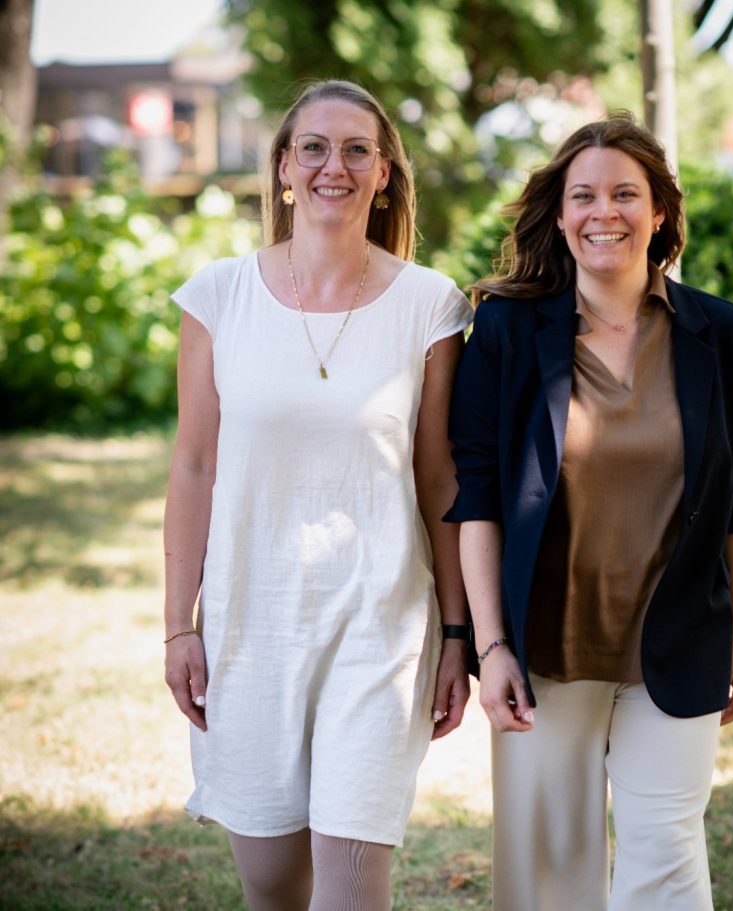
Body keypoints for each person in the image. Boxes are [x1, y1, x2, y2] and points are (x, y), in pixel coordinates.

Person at [162, 79, 473, 911]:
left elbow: (436, 477)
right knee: (271, 884)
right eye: (314, 147)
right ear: (285, 169)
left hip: (381, 623)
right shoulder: (218, 295)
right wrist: (175, 626)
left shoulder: (429, 305)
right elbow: (194, 466)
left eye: (356, 150)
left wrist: (454, 632)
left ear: (382, 175)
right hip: (251, 623)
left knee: (348, 887)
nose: (334, 165)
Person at [444, 111, 733, 911]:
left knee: (668, 859)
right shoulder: (508, 330)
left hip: (679, 640)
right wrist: (491, 646)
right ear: (559, 214)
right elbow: (475, 494)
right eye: (583, 195)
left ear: (659, 212)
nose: (604, 212)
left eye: (626, 193)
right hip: (546, 644)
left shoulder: (719, 333)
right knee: (548, 872)